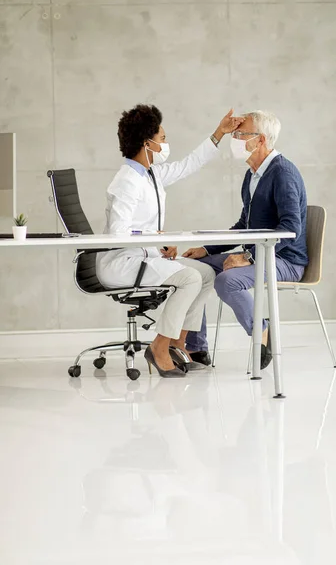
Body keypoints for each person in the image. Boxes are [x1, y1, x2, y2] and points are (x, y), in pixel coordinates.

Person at [96, 104, 244, 378]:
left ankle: (178, 342)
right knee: (189, 278)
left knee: (207, 273)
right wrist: (156, 242)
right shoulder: (127, 181)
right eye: (162, 139)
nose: (166, 144)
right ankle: (160, 347)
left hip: (143, 256)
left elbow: (189, 164)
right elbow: (118, 233)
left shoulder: (150, 174)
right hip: (122, 263)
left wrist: (219, 133)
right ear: (147, 143)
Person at [183, 110, 309, 369]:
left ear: (261, 140)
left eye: (242, 134)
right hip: (261, 254)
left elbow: (291, 228)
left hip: (286, 260)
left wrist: (248, 256)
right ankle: (197, 349)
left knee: (227, 281)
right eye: (236, 133)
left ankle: (263, 332)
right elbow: (244, 226)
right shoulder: (252, 174)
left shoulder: (282, 173)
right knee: (193, 271)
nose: (235, 138)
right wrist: (206, 249)